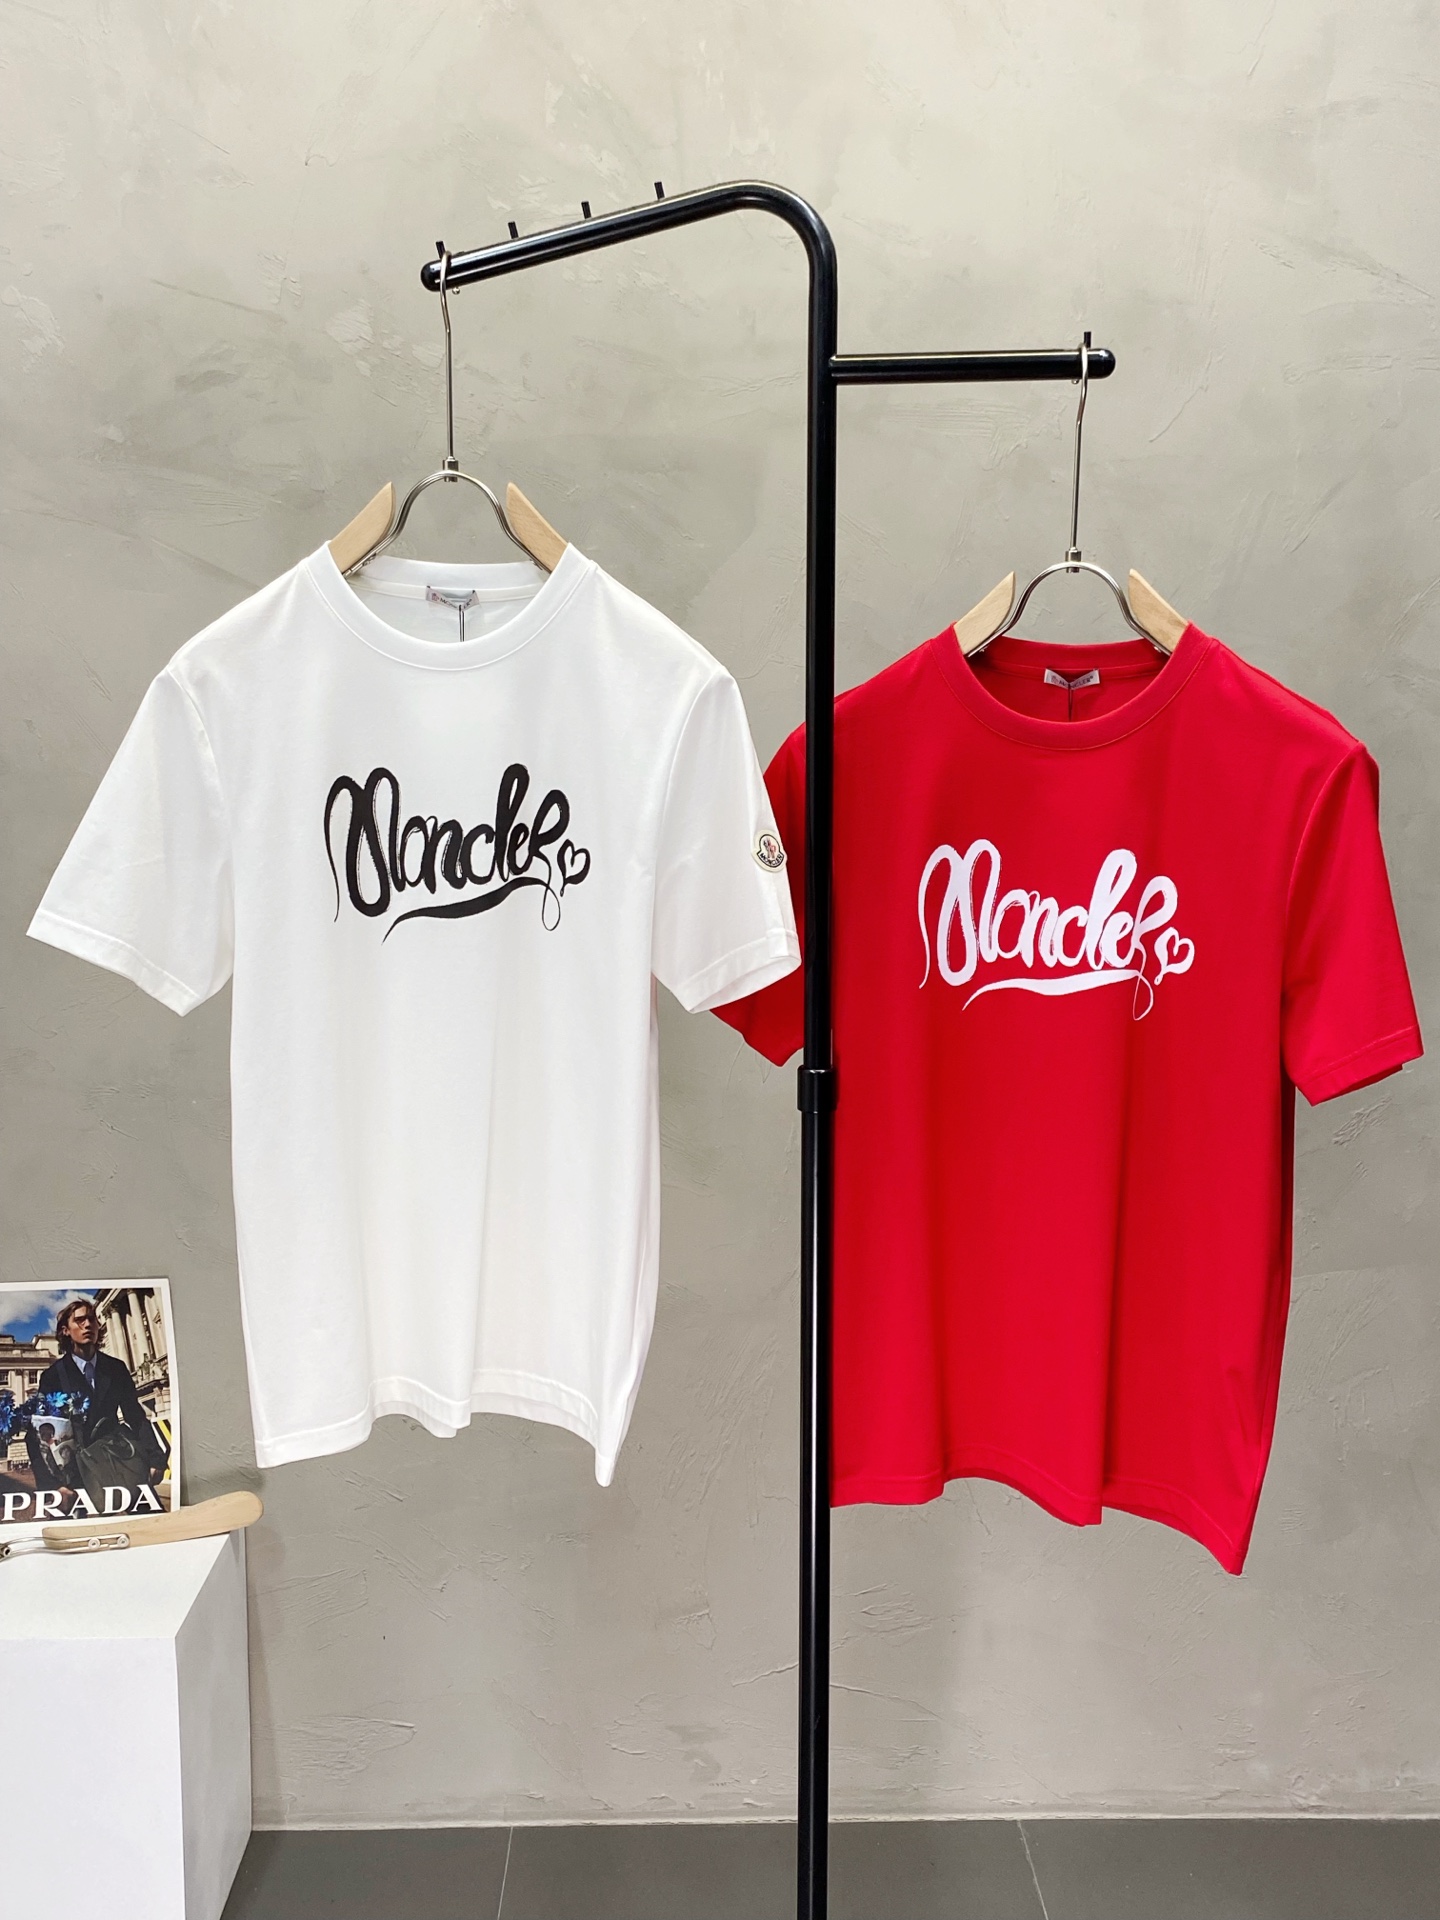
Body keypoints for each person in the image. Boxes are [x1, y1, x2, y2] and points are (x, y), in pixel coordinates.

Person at [38, 1299, 168, 1492]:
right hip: (76, 1474)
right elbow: (39, 1432)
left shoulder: (116, 1368)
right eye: (80, 1320)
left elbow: (135, 1416)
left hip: (118, 1459)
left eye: (92, 1319)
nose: (88, 1325)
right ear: (66, 1330)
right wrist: (54, 1487)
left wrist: (156, 1459)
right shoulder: (53, 1376)